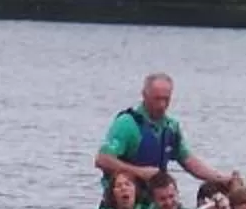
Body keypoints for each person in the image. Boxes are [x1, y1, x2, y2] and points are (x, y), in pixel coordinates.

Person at [94, 74, 237, 195]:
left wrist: (220, 178)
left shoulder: (171, 127)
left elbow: (189, 161)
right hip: (125, 201)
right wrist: (139, 172)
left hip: (155, 200)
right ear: (144, 95)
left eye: (166, 99)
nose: (162, 105)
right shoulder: (127, 124)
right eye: (157, 99)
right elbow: (102, 160)